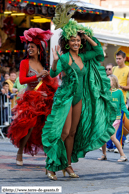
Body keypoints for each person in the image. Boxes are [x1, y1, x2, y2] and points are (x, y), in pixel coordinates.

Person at [42, 19, 117, 180]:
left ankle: (68, 165)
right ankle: (51, 166)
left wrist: (86, 36)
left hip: (79, 98)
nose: (76, 42)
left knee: (73, 133)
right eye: (73, 40)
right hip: (66, 98)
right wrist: (55, 61)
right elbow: (54, 74)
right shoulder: (63, 58)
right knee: (63, 132)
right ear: (67, 42)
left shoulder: (83, 57)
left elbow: (98, 53)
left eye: (78, 40)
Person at [7, 28, 58, 166]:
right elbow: (22, 80)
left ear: (39, 49)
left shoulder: (43, 64)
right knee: (29, 126)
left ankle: (50, 155)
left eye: (32, 47)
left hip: (44, 100)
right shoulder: (24, 63)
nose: (29, 49)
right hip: (30, 99)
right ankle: (20, 152)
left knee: (45, 127)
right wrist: (38, 76)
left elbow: (50, 80)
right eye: (28, 47)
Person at [98, 75, 129, 162]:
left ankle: (123, 155)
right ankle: (104, 154)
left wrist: (127, 113)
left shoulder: (119, 92)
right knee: (103, 136)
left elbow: (122, 105)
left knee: (112, 137)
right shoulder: (104, 92)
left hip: (116, 118)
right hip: (106, 118)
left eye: (109, 81)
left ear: (114, 82)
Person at [107, 50, 129, 153]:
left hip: (121, 101)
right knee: (110, 122)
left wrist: (120, 86)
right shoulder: (114, 68)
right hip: (111, 100)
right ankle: (110, 145)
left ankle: (118, 145)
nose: (118, 60)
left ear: (124, 58)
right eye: (116, 58)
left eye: (120, 58)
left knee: (119, 124)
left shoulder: (128, 69)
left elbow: (128, 87)